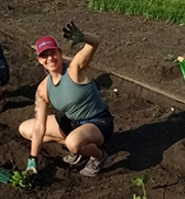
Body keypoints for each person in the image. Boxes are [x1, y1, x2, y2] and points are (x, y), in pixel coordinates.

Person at [19, 21, 114, 177]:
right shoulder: (43, 89)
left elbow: (95, 43)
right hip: (74, 123)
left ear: (60, 53)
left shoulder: (74, 69)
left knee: (73, 142)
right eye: (44, 55)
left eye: (52, 53)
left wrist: (84, 37)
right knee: (25, 129)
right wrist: (32, 160)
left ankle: (99, 156)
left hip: (98, 122)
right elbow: (38, 127)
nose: (49, 58)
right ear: (39, 60)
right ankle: (79, 147)